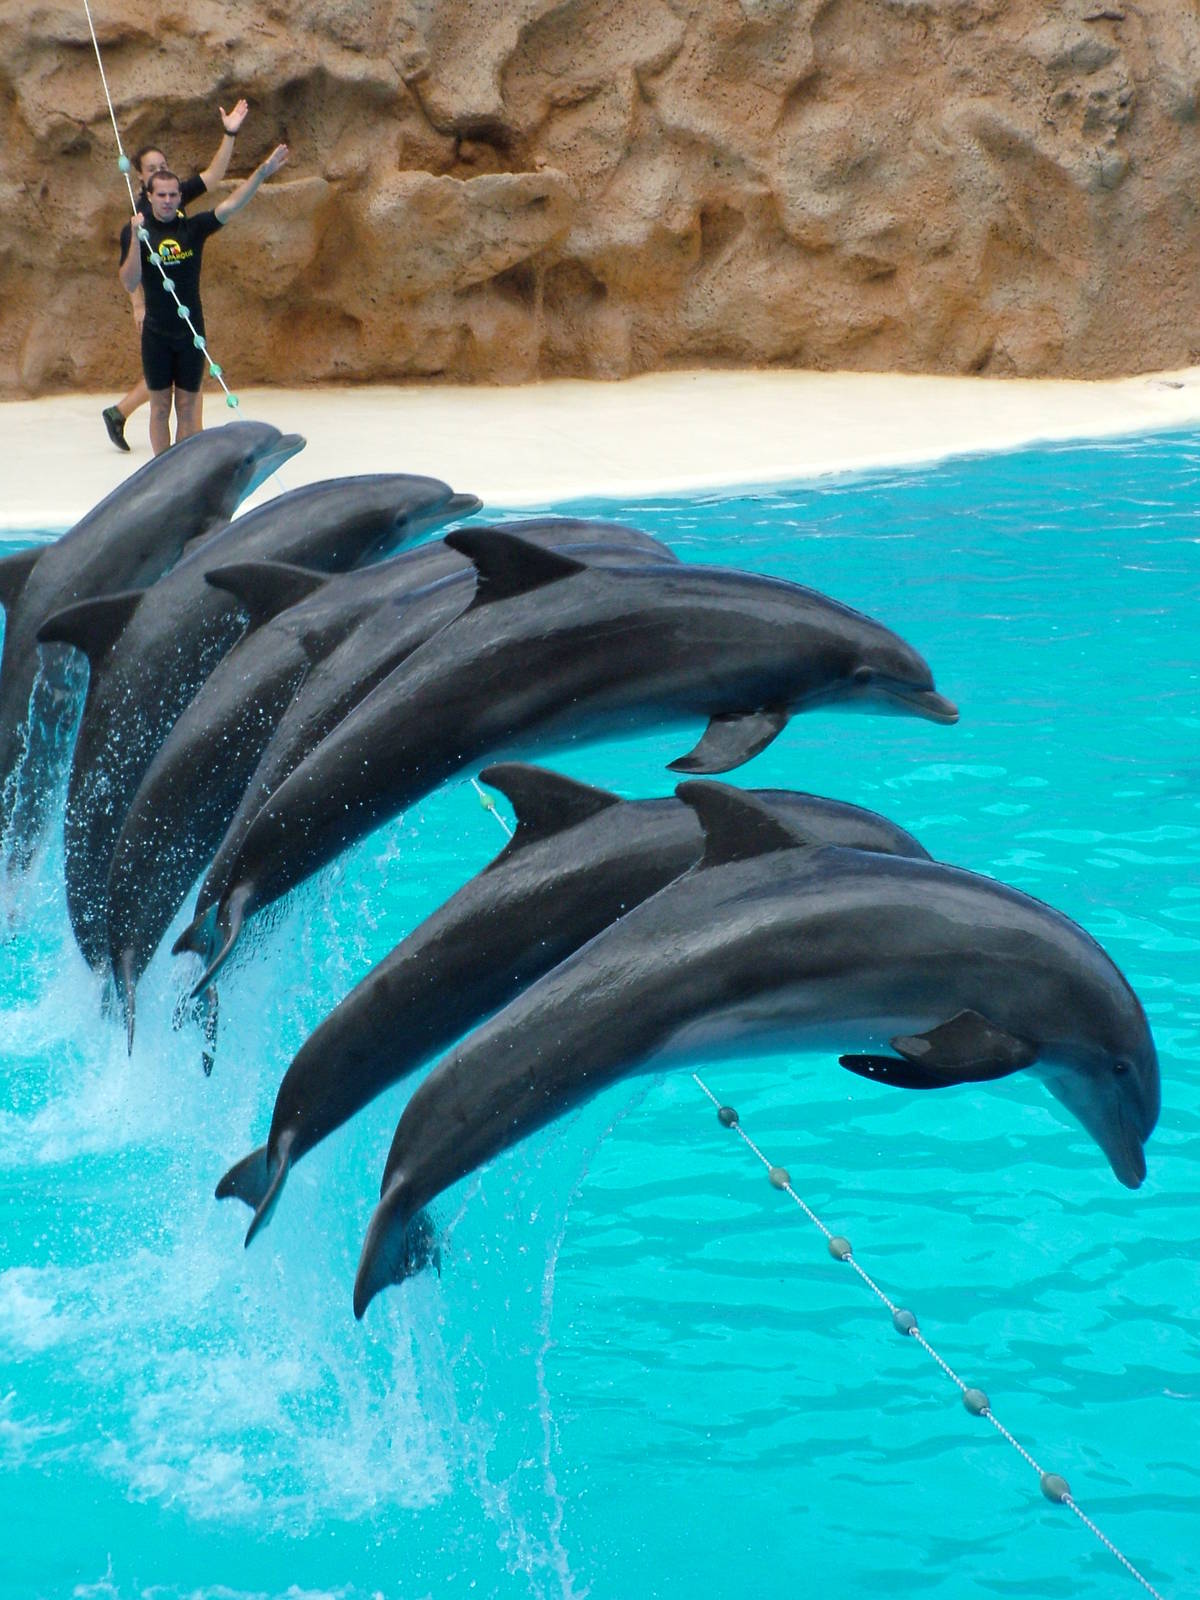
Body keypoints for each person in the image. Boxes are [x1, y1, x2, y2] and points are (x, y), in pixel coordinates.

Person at [118, 144, 289, 455]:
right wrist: (134, 239)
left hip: (190, 332)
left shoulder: (192, 229)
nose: (167, 201)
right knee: (159, 408)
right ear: (150, 195)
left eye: (173, 195)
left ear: (180, 198)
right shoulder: (137, 232)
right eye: (161, 195)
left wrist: (261, 173)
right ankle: (161, 469)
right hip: (157, 333)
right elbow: (129, 280)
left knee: (186, 405)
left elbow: (232, 205)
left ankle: (182, 466)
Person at [102, 99, 250, 452]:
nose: (160, 173)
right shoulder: (143, 214)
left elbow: (213, 177)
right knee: (162, 398)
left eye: (164, 165)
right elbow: (134, 272)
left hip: (185, 315)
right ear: (141, 178)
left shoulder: (173, 196)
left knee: (185, 395)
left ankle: (134, 419)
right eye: (153, 168)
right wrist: (137, 305)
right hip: (157, 309)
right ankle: (129, 418)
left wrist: (229, 133)